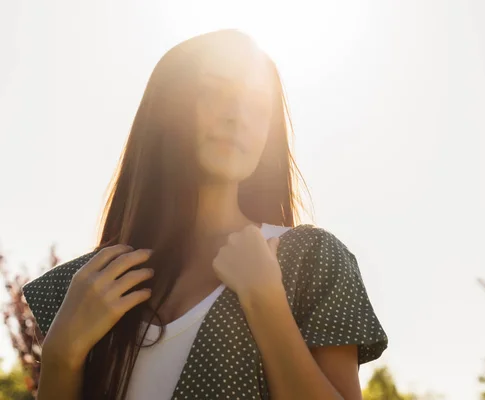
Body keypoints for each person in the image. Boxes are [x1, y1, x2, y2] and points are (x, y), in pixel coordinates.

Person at [22, 29, 388, 400]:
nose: (238, 117)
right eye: (215, 92)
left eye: (258, 107)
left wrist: (267, 304)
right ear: (166, 109)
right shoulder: (85, 286)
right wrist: (60, 355)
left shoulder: (309, 260)